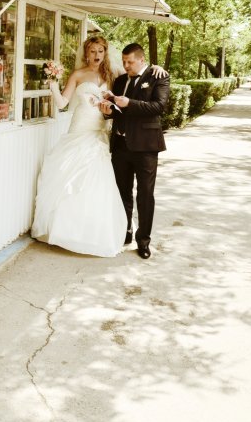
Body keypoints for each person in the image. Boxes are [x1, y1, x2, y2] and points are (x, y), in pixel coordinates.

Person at [31, 35, 166, 257]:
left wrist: (155, 68)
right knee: (74, 178)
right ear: (86, 53)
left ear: (105, 53)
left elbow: (138, 74)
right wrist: (53, 86)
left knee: (101, 181)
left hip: (101, 131)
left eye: (100, 51)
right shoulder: (78, 74)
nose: (96, 55)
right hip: (80, 128)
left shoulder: (113, 75)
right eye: (92, 51)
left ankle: (114, 234)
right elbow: (63, 103)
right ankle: (67, 229)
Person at [99, 43, 170, 260]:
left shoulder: (159, 76)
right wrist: (107, 111)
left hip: (146, 147)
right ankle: (125, 231)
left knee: (145, 195)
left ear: (141, 59)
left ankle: (144, 241)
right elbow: (117, 111)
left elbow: (158, 107)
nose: (126, 66)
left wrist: (130, 102)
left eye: (130, 62)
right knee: (122, 192)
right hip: (121, 146)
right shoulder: (120, 80)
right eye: (124, 61)